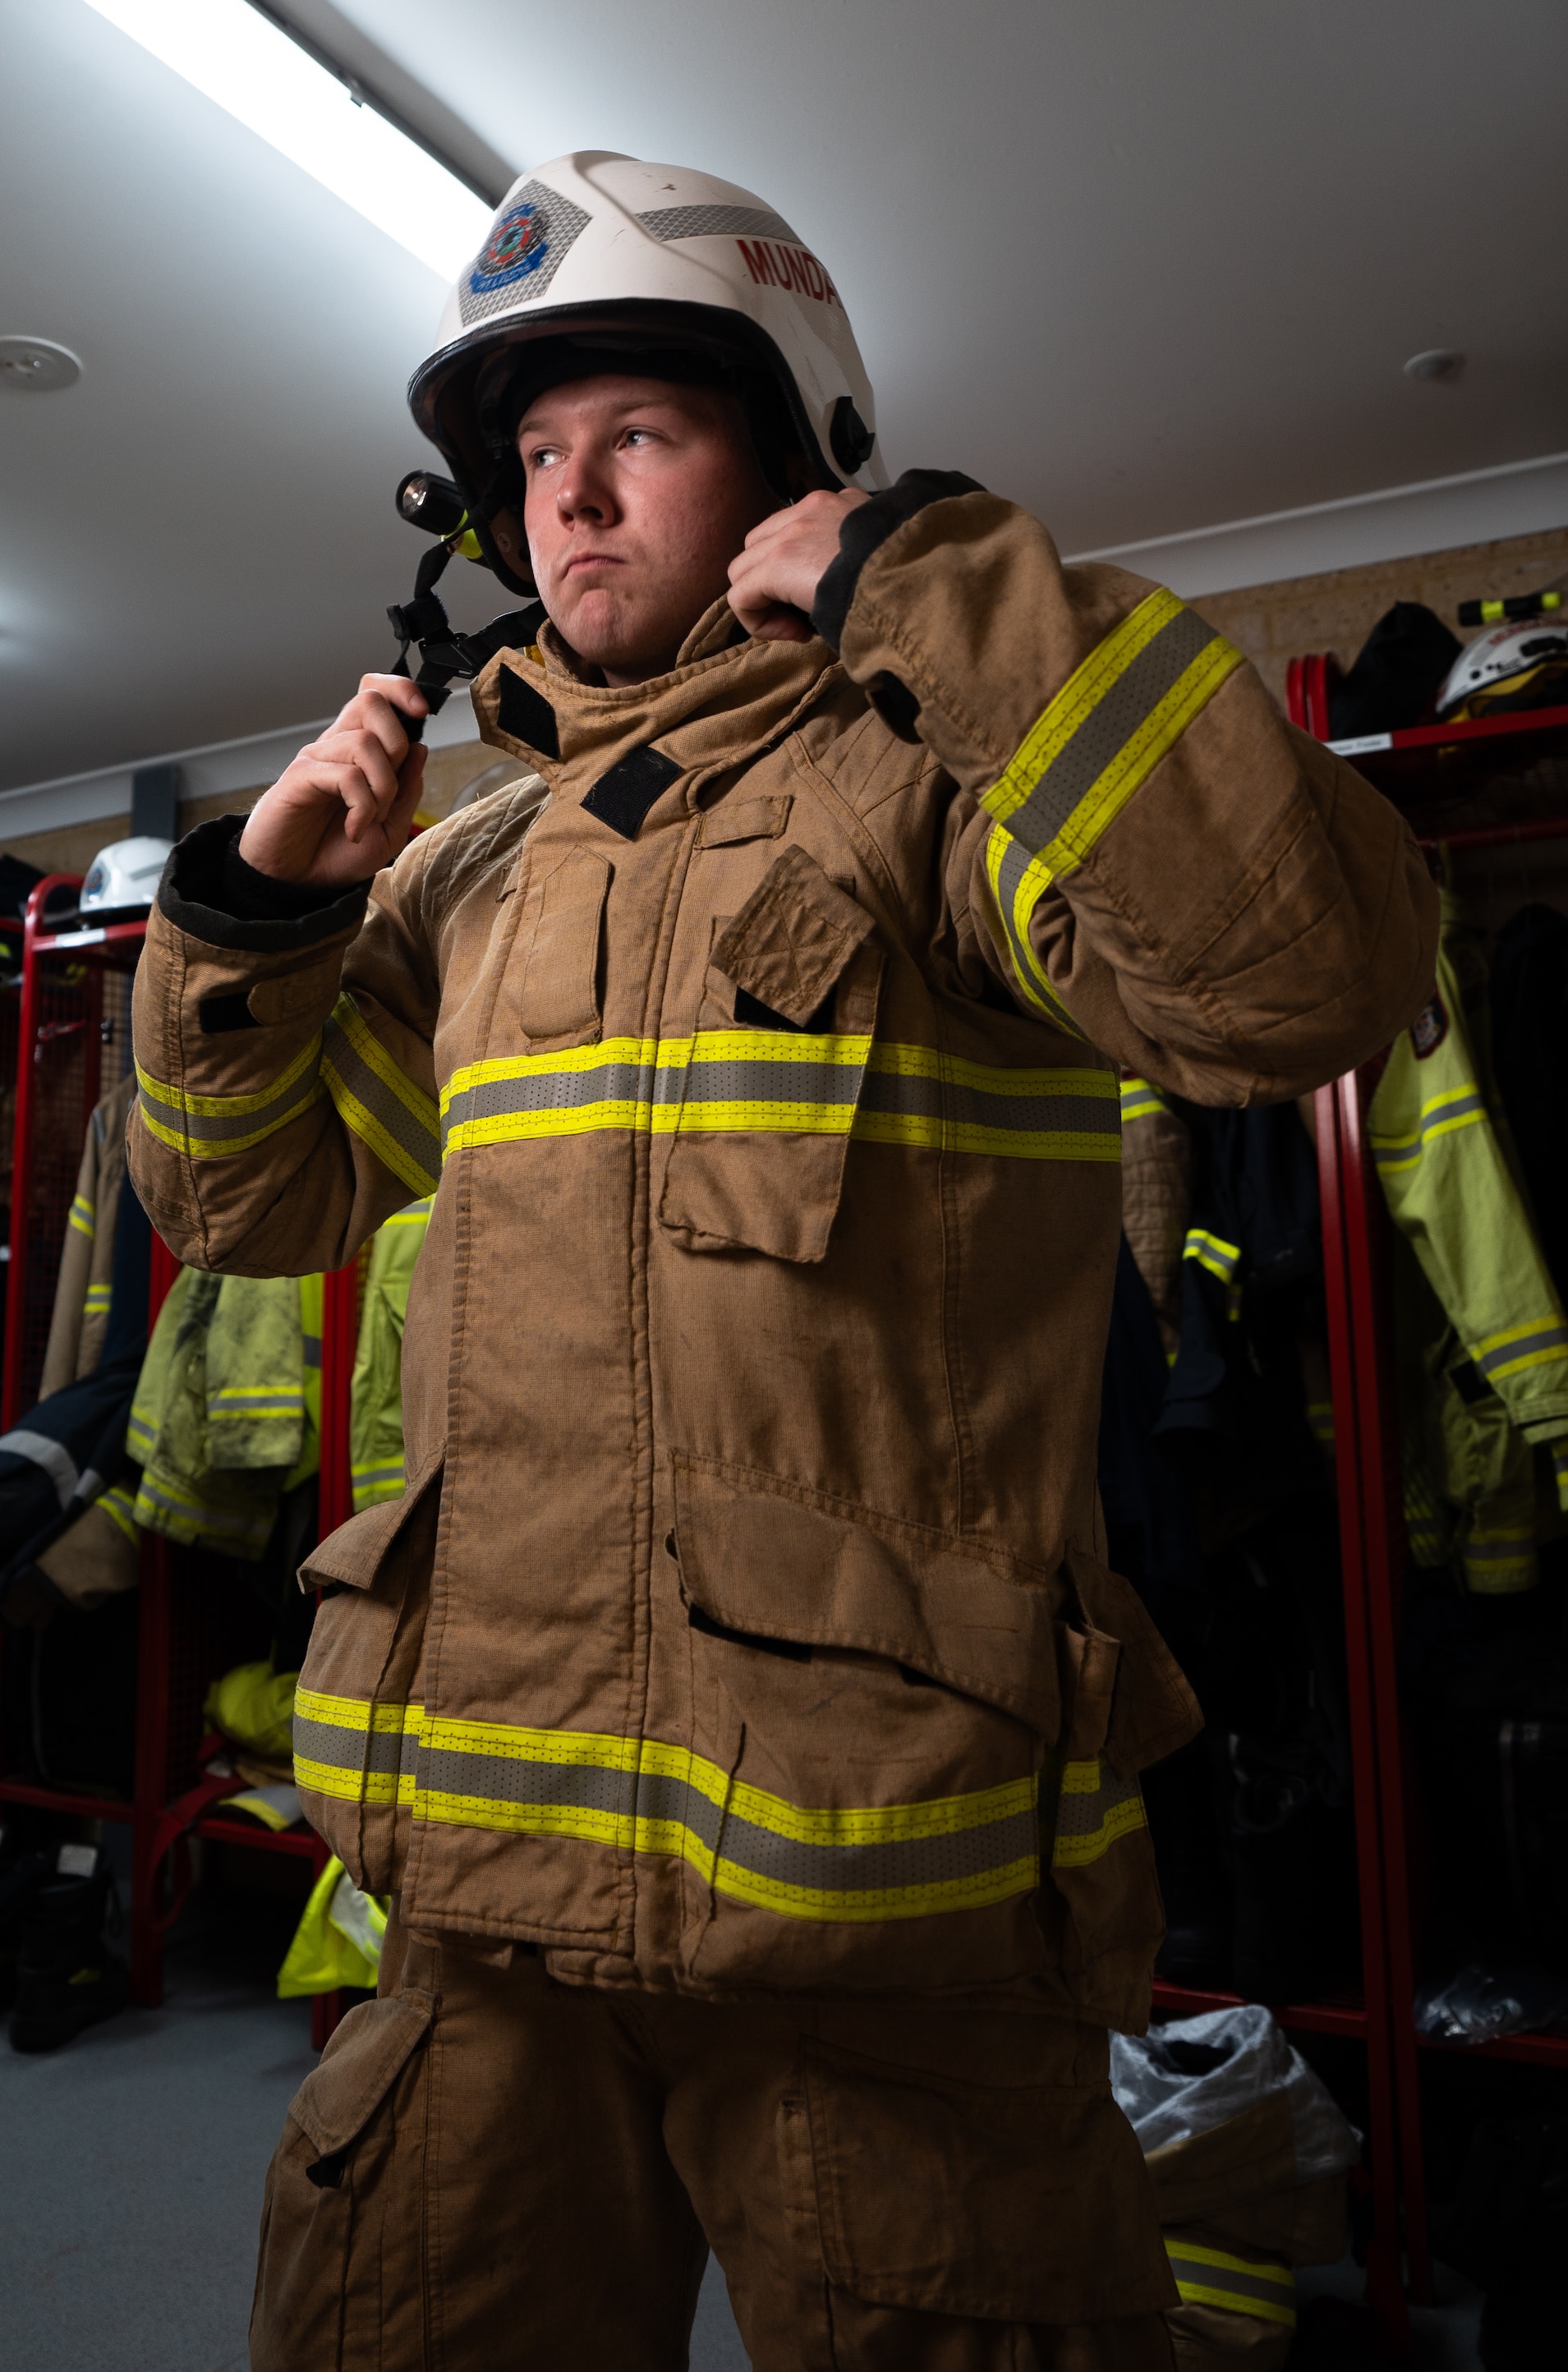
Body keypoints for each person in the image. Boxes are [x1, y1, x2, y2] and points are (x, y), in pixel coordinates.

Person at [125, 150, 1435, 2367]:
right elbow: (242, 1206)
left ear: (797, 458)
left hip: (876, 1926)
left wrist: (938, 596)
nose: (570, 502)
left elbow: (1295, 982)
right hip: (477, 1921)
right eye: (534, 459)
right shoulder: (465, 882)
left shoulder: (931, 793)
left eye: (636, 434)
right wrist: (251, 918)